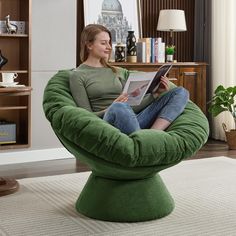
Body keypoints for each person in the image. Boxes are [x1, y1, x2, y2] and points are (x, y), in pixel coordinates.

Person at [70, 24, 189, 135]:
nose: (109, 47)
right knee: (119, 107)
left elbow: (130, 105)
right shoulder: (78, 75)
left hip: (133, 118)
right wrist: (113, 105)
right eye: (103, 43)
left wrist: (156, 94)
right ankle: (141, 141)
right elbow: (84, 116)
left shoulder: (116, 71)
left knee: (180, 92)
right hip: (109, 123)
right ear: (89, 45)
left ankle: (153, 135)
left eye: (109, 43)